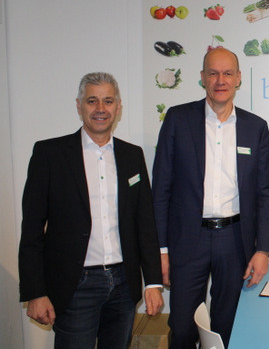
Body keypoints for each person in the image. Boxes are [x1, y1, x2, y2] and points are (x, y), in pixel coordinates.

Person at [19, 72, 164, 348]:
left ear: (118, 107)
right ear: (79, 105)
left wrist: (152, 282)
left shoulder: (132, 156)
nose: (100, 109)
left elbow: (144, 223)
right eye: (92, 101)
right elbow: (32, 230)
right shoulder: (50, 154)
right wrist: (35, 292)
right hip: (75, 286)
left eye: (108, 101)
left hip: (123, 284)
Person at [152, 47, 269, 348]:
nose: (221, 80)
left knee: (227, 327)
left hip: (235, 241)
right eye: (213, 73)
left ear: (238, 78)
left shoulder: (255, 127)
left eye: (227, 73)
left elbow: (265, 193)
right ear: (203, 77)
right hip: (187, 240)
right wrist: (161, 250)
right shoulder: (178, 119)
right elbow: (161, 188)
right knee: (182, 328)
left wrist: (263, 249)